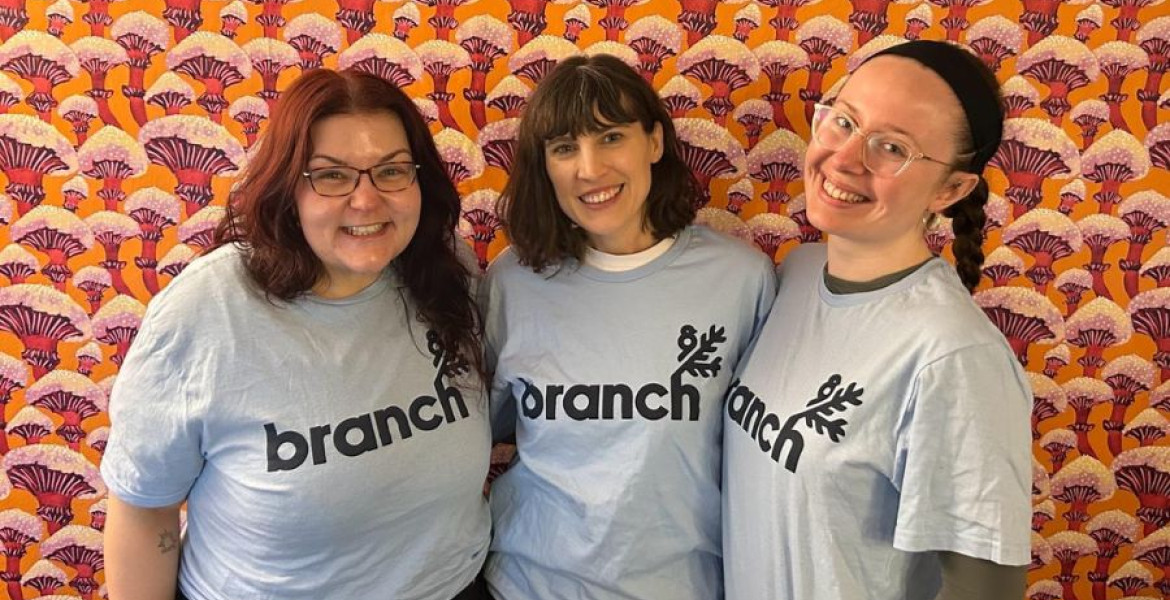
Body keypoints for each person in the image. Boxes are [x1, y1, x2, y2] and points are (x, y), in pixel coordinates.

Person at [101, 69, 492, 600]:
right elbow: (145, 511)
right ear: (289, 187)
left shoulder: (448, 276)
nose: (366, 199)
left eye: (392, 171)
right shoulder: (207, 311)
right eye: (332, 176)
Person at [722, 40, 1031, 600]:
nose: (844, 157)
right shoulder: (797, 275)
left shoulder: (953, 358)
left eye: (892, 148)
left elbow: (986, 591)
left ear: (951, 189)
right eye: (843, 122)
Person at [480, 54, 777, 600]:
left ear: (655, 143)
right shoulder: (513, 282)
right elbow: (481, 429)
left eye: (611, 137)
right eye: (564, 147)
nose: (589, 169)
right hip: (526, 584)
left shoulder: (740, 279)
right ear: (543, 165)